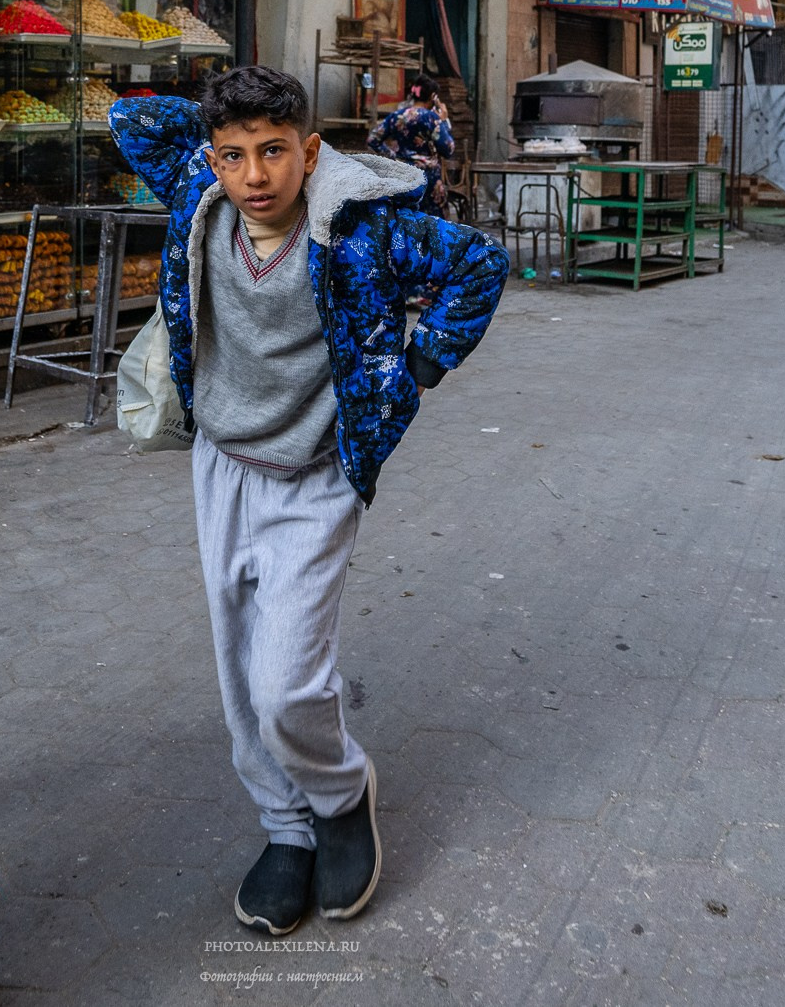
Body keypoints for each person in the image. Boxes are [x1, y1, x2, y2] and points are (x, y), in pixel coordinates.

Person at [111, 68, 508, 938]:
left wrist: (416, 372)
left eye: (275, 151)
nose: (254, 175)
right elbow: (130, 117)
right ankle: (284, 830)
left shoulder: (363, 229)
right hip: (221, 464)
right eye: (235, 155)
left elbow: (481, 263)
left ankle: (339, 794)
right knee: (239, 666)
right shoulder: (197, 191)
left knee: (287, 679)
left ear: (311, 150)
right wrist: (224, 120)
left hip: (319, 470)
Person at [366, 74, 459, 217]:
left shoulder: (397, 116)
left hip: (402, 174)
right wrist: (445, 121)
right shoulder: (431, 118)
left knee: (405, 220)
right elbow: (448, 149)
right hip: (429, 178)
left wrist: (392, 156)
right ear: (433, 97)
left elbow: (373, 139)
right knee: (431, 225)